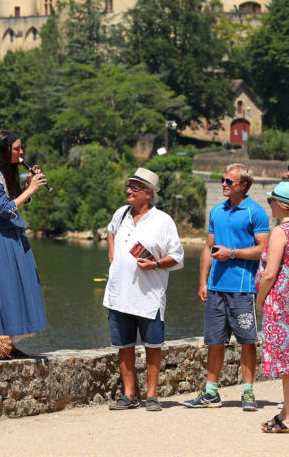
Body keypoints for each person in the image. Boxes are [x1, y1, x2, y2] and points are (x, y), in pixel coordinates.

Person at [183, 163, 269, 411]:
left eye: (229, 181)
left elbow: (263, 250)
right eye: (223, 180)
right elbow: (208, 247)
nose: (223, 184)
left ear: (243, 185)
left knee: (247, 341)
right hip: (216, 288)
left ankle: (248, 392)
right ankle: (211, 392)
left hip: (243, 289)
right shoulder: (216, 211)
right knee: (214, 341)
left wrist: (232, 253)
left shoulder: (256, 212)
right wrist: (203, 281)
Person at [104, 167, 184, 411]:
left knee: (153, 346)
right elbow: (109, 231)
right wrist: (112, 256)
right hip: (119, 294)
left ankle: (151, 396)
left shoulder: (163, 221)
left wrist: (156, 264)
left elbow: (178, 257)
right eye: (128, 186)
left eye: (135, 188)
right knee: (124, 345)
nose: (128, 190)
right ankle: (129, 395)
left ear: (149, 194)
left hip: (149, 297)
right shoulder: (120, 214)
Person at [0, 129, 47, 357]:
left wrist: (28, 187)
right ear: (6, 150)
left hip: (11, 234)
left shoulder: (6, 171)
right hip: (0, 236)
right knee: (3, 286)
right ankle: (0, 339)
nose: (21, 152)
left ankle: (8, 341)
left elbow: (13, 202)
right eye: (17, 148)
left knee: (16, 284)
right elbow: (5, 209)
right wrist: (31, 190)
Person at [256, 181, 289, 433]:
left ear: (279, 204)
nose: (270, 206)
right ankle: (285, 411)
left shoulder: (281, 231)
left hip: (281, 303)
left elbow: (270, 274)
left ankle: (287, 417)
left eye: (271, 201)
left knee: (286, 363)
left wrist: (260, 300)